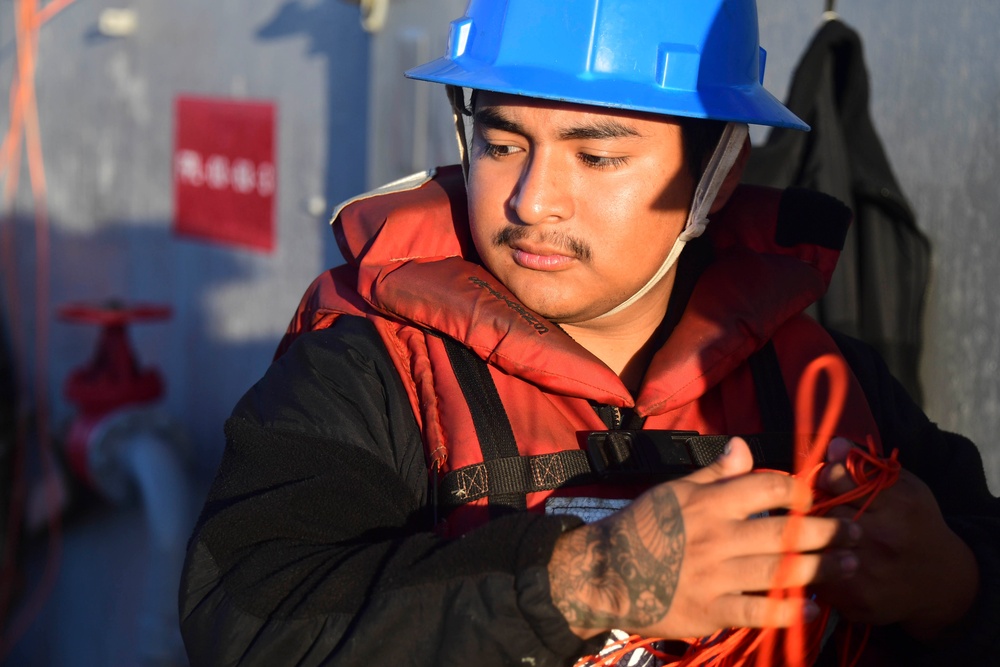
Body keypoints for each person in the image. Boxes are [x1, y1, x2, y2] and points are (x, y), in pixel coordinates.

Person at [179, 1, 1000, 665]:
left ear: (718, 172)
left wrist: (955, 586)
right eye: (503, 143)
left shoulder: (820, 377)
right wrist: (586, 580)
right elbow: (252, 615)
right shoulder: (369, 365)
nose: (533, 201)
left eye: (596, 157)